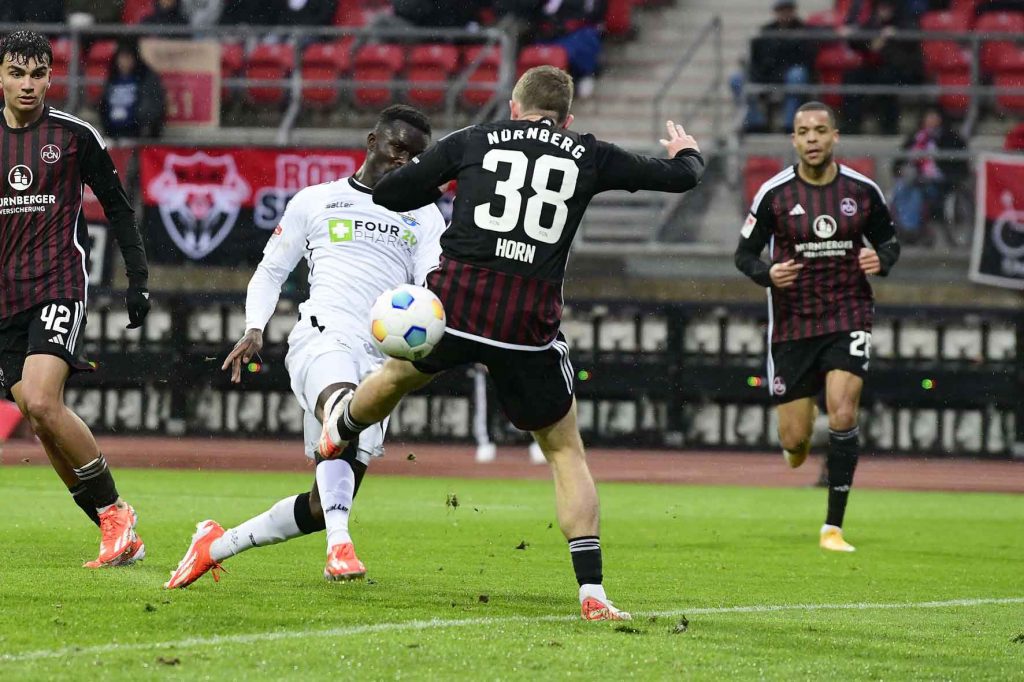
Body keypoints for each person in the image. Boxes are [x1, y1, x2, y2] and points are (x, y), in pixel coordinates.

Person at [316, 66, 704, 621]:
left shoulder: (476, 138)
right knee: (565, 451)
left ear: (514, 106)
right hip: (527, 325)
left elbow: (392, 193)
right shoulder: (587, 153)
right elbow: (679, 177)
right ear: (567, 118)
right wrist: (687, 151)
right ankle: (592, 592)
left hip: (457, 307)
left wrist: (434, 180)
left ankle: (340, 430)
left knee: (399, 374)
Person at [163, 105, 446, 589]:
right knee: (343, 412)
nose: (405, 162)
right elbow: (272, 269)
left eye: (416, 157)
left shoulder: (424, 216)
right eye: (398, 148)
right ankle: (340, 548)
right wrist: (255, 327)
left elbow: (430, 286)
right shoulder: (316, 200)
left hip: (384, 356)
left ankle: (215, 543)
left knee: (320, 504)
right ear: (372, 139)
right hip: (322, 333)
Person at [0, 31, 151, 567]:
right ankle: (112, 528)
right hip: (3, 301)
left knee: (41, 400)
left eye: (38, 73)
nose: (28, 84)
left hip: (56, 284)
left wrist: (138, 278)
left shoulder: (73, 136)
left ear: (50, 77)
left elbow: (118, 205)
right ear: (0, 76)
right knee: (40, 419)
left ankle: (115, 512)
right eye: (17, 73)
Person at [734, 101, 900, 553]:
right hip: (792, 322)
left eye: (820, 131)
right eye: (803, 131)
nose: (811, 139)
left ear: (834, 137)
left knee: (843, 410)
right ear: (793, 139)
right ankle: (797, 447)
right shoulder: (774, 194)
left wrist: (879, 260)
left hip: (848, 313)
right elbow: (744, 255)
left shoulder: (863, 191)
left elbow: (889, 241)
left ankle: (833, 527)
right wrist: (766, 273)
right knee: (795, 441)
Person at [734, 0, 816, 133]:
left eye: (788, 9)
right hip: (767, 74)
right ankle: (755, 122)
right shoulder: (766, 31)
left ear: (794, 10)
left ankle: (789, 124)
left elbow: (806, 59)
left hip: (788, 75)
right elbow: (757, 58)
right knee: (736, 79)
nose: (784, 13)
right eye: (781, 9)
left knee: (797, 75)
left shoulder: (804, 31)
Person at [99, 41, 166, 140]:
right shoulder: (112, 78)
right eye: (122, 58)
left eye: (128, 58)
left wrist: (142, 126)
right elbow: (103, 105)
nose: (124, 62)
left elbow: (151, 107)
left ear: (135, 59)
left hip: (136, 135)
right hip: (113, 134)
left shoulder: (145, 78)